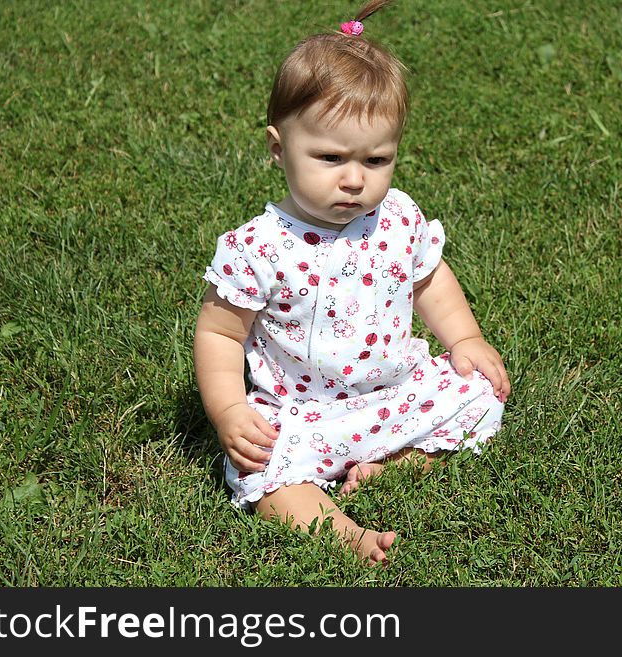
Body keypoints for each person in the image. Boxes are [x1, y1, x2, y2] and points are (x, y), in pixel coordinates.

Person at [193, 0, 510, 564]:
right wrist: (228, 412)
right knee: (263, 469)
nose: (355, 180)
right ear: (277, 147)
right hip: (297, 413)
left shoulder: (397, 219)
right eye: (331, 157)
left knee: (480, 396)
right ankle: (343, 533)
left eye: (378, 159)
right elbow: (219, 334)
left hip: (393, 392)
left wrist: (464, 341)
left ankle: (394, 462)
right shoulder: (258, 249)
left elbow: (429, 281)